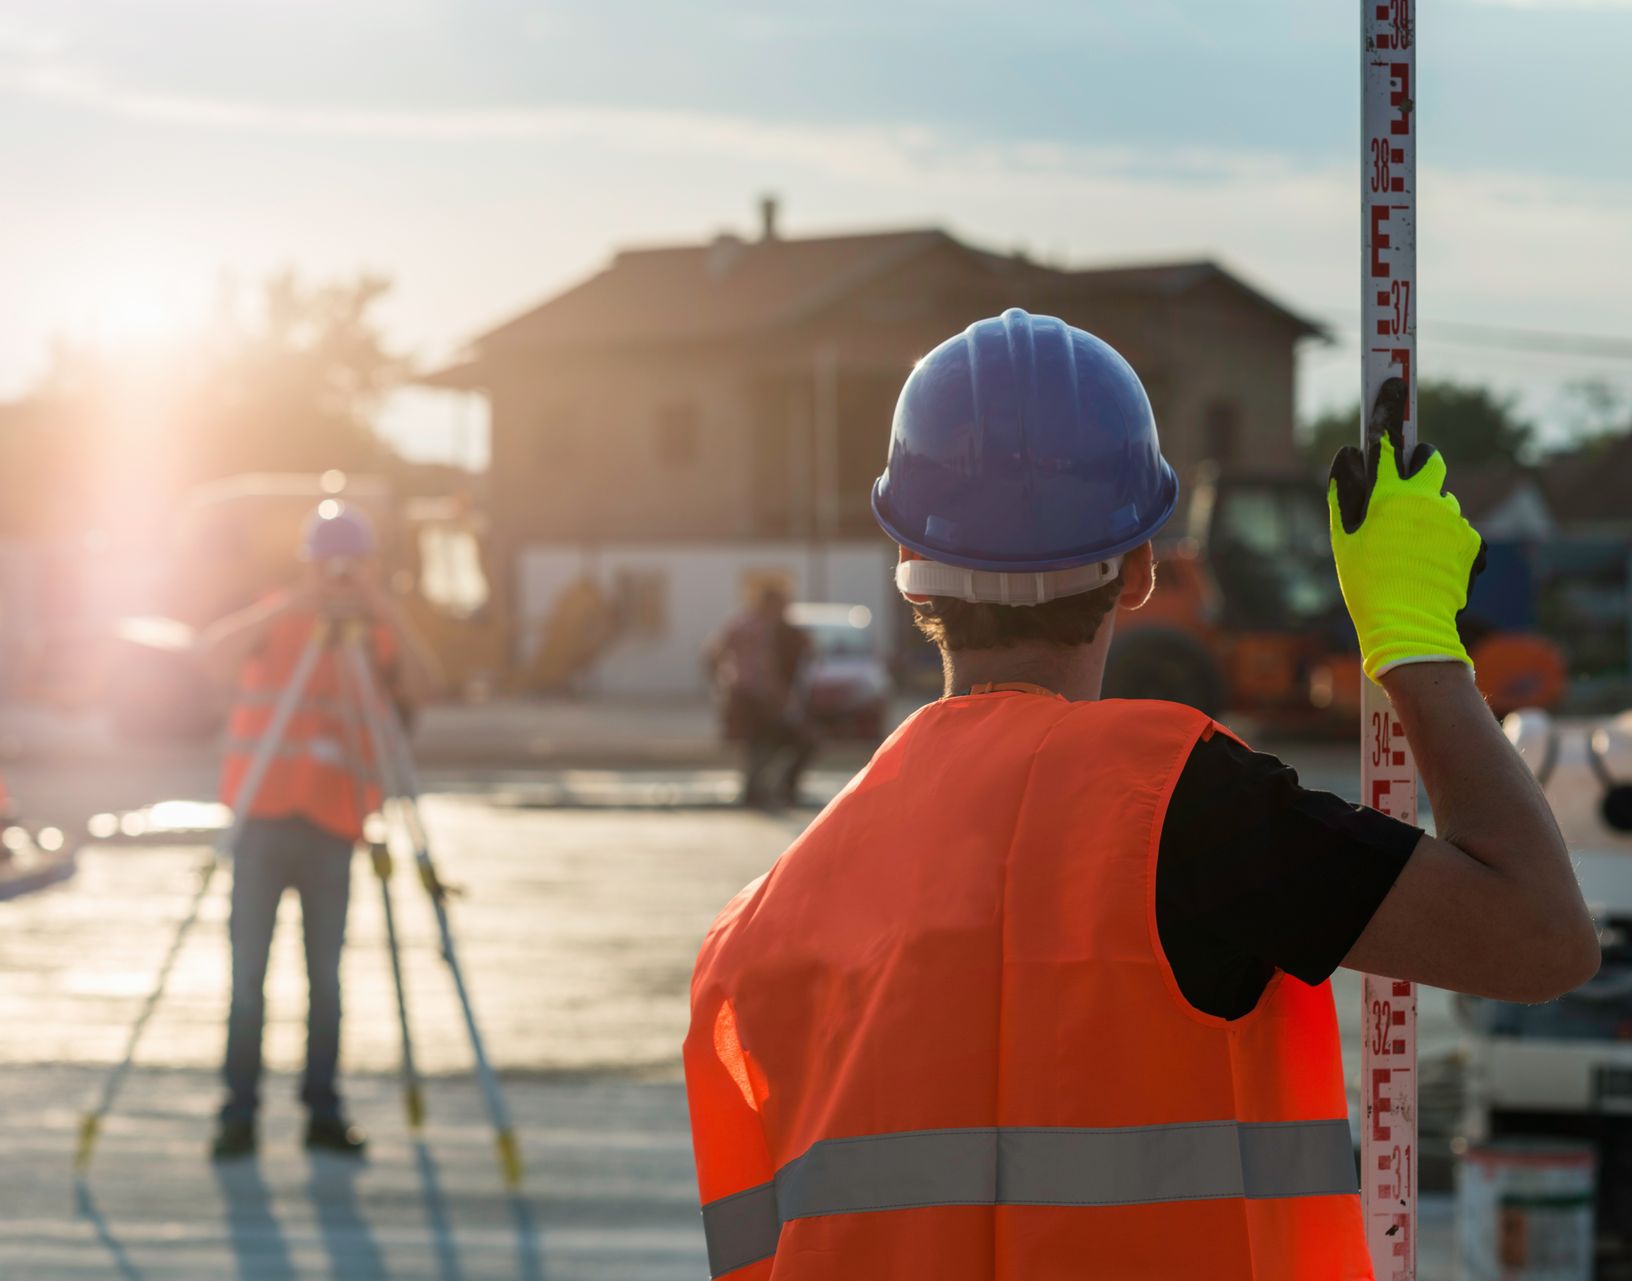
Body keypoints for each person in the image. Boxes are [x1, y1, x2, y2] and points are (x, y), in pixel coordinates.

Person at [682, 310, 1598, 1278]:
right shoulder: (1187, 812)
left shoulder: (756, 934)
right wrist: (1419, 645)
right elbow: (1541, 937)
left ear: (911, 579)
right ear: (1141, 570)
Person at [199, 505, 441, 1160]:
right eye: (329, 564)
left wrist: (384, 611)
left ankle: (322, 1109)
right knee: (247, 974)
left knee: (326, 979)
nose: (338, 576)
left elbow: (427, 685)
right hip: (262, 819)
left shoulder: (376, 636)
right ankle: (238, 1112)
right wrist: (295, 605)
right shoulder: (275, 617)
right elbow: (211, 657)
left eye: (351, 565)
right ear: (307, 563)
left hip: (333, 823)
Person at [706, 587, 815, 808]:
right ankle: (771, 788)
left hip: (742, 694)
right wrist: (781, 697)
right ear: (771, 605)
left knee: (758, 744)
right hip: (760, 697)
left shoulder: (740, 622)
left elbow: (713, 653)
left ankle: (757, 789)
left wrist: (723, 682)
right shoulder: (764, 629)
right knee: (775, 741)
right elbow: (766, 667)